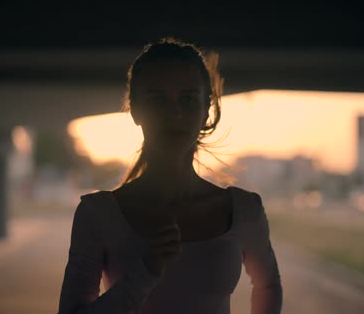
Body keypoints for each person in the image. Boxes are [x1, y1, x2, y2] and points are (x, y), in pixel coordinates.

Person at [58, 38, 282, 314]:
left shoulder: (245, 209)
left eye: (187, 100)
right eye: (157, 100)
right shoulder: (97, 214)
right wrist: (145, 271)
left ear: (206, 109)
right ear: (135, 109)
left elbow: (268, 285)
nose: (173, 113)